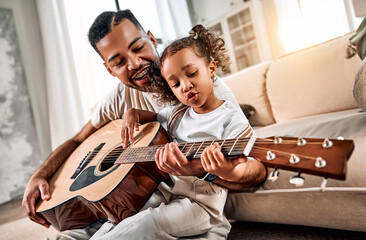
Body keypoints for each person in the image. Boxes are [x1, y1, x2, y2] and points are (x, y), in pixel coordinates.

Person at [21, 9, 266, 239]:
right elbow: (78, 140)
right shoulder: (118, 98)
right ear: (109, 69)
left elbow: (252, 168)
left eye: (138, 47)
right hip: (137, 198)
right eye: (118, 62)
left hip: (187, 202)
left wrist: (198, 169)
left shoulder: (203, 92)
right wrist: (40, 175)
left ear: (151, 38)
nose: (135, 63)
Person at [97, 24, 260, 240]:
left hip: (202, 202)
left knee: (147, 223)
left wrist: (227, 171)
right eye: (175, 84)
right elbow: (155, 117)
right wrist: (132, 113)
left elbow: (245, 162)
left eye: (192, 73)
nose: (185, 86)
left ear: (211, 69)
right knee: (121, 217)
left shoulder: (229, 117)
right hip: (168, 190)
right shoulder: (178, 113)